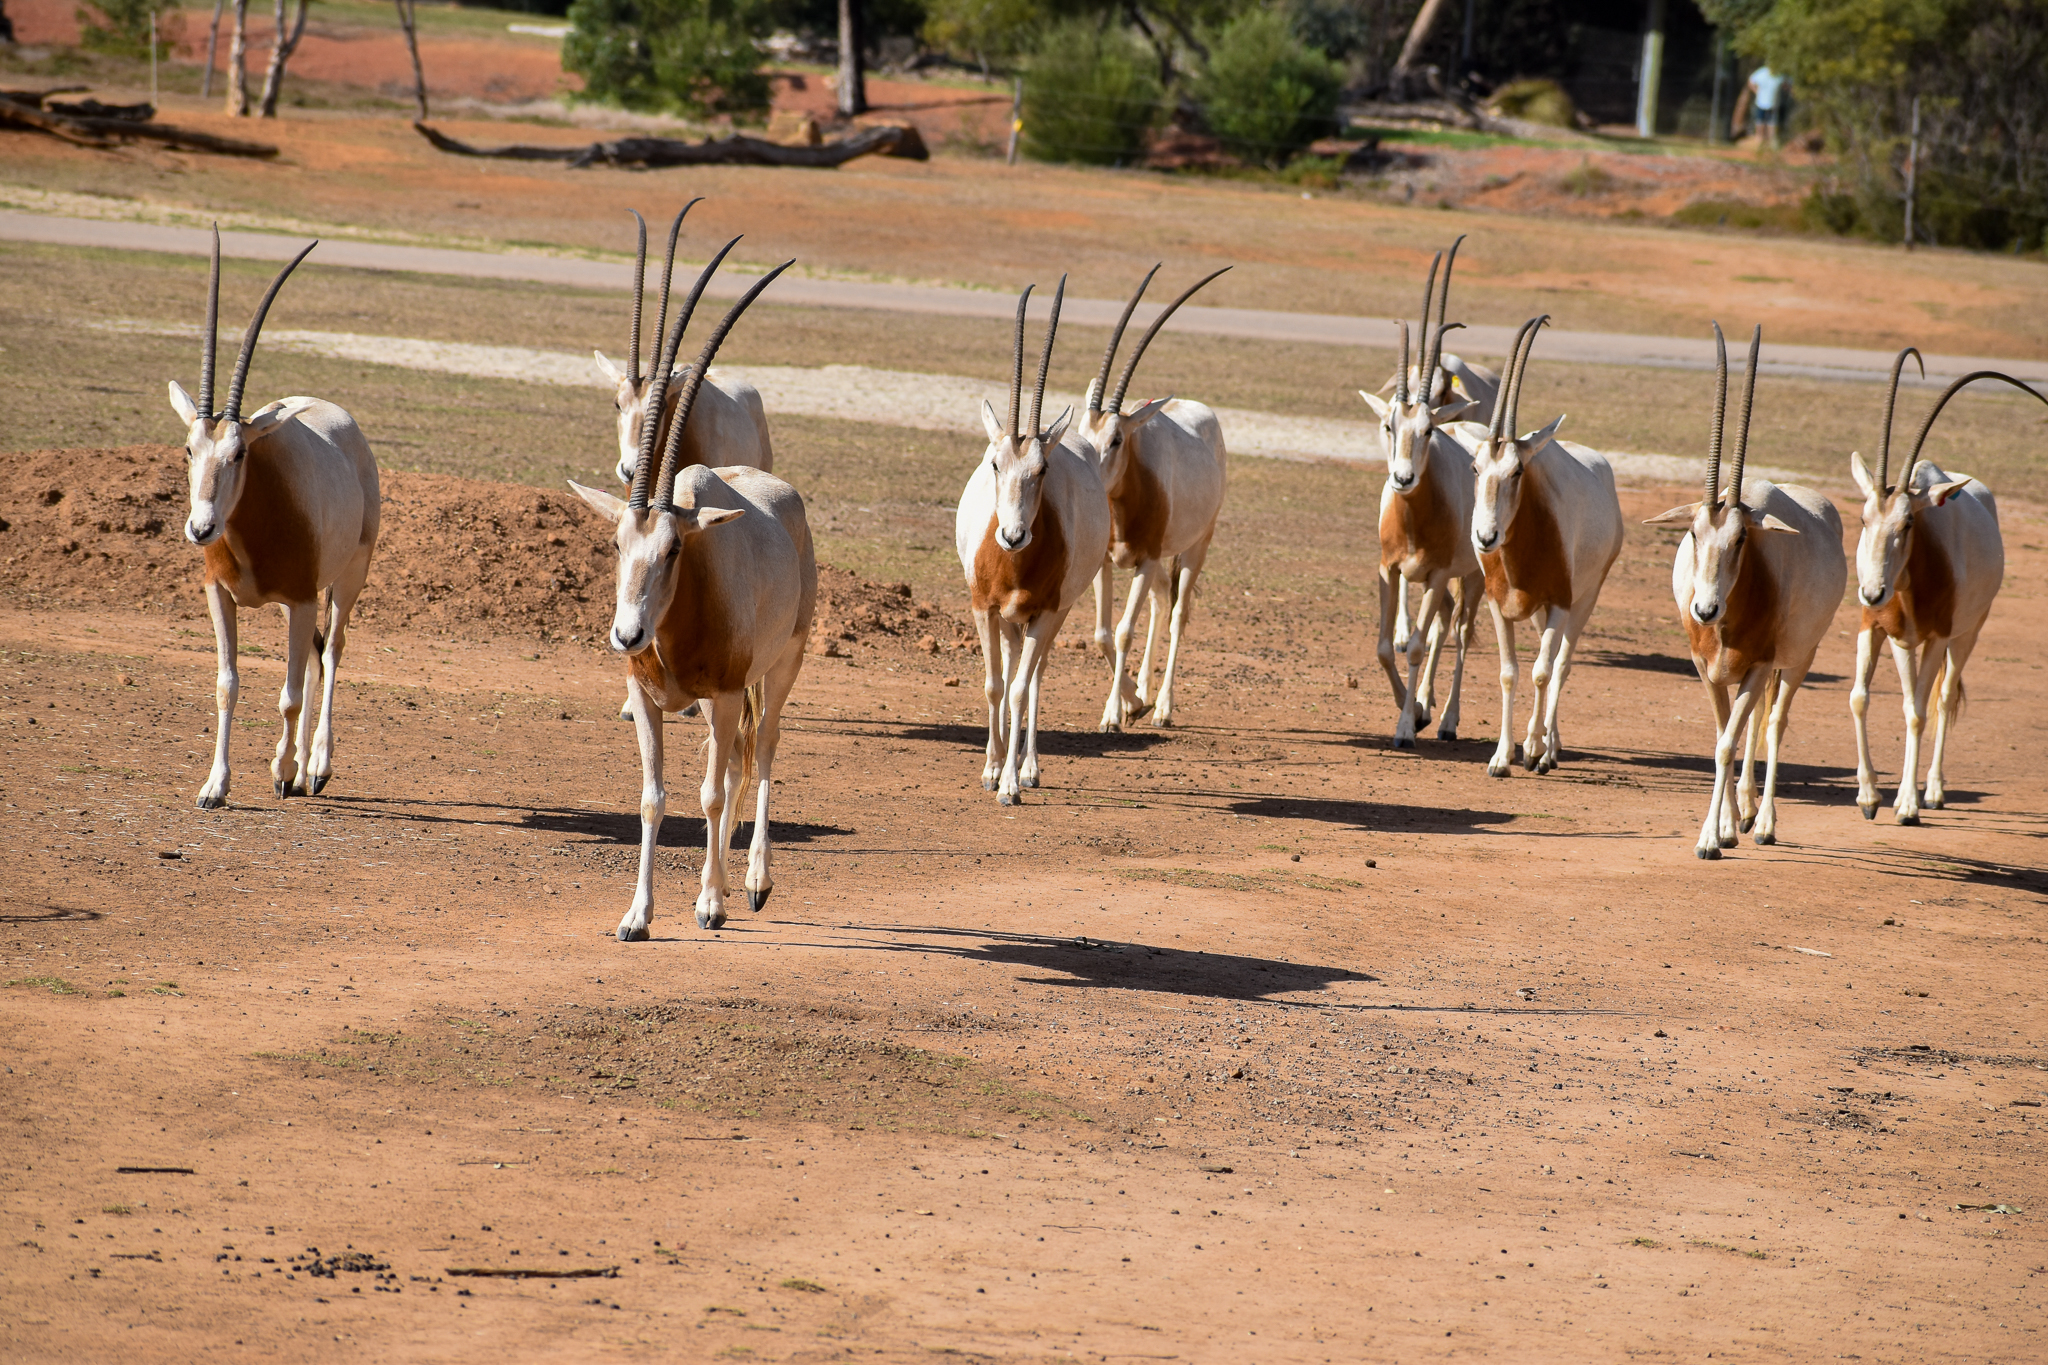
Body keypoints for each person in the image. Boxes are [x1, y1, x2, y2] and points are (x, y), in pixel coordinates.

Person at [1731, 65, 1788, 149]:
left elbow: (1786, 83)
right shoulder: (1762, 72)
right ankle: (1759, 140)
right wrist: (1756, 91)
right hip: (1761, 103)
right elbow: (1751, 81)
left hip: (1773, 104)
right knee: (1760, 122)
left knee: (1771, 123)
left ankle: (1771, 141)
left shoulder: (1778, 74)